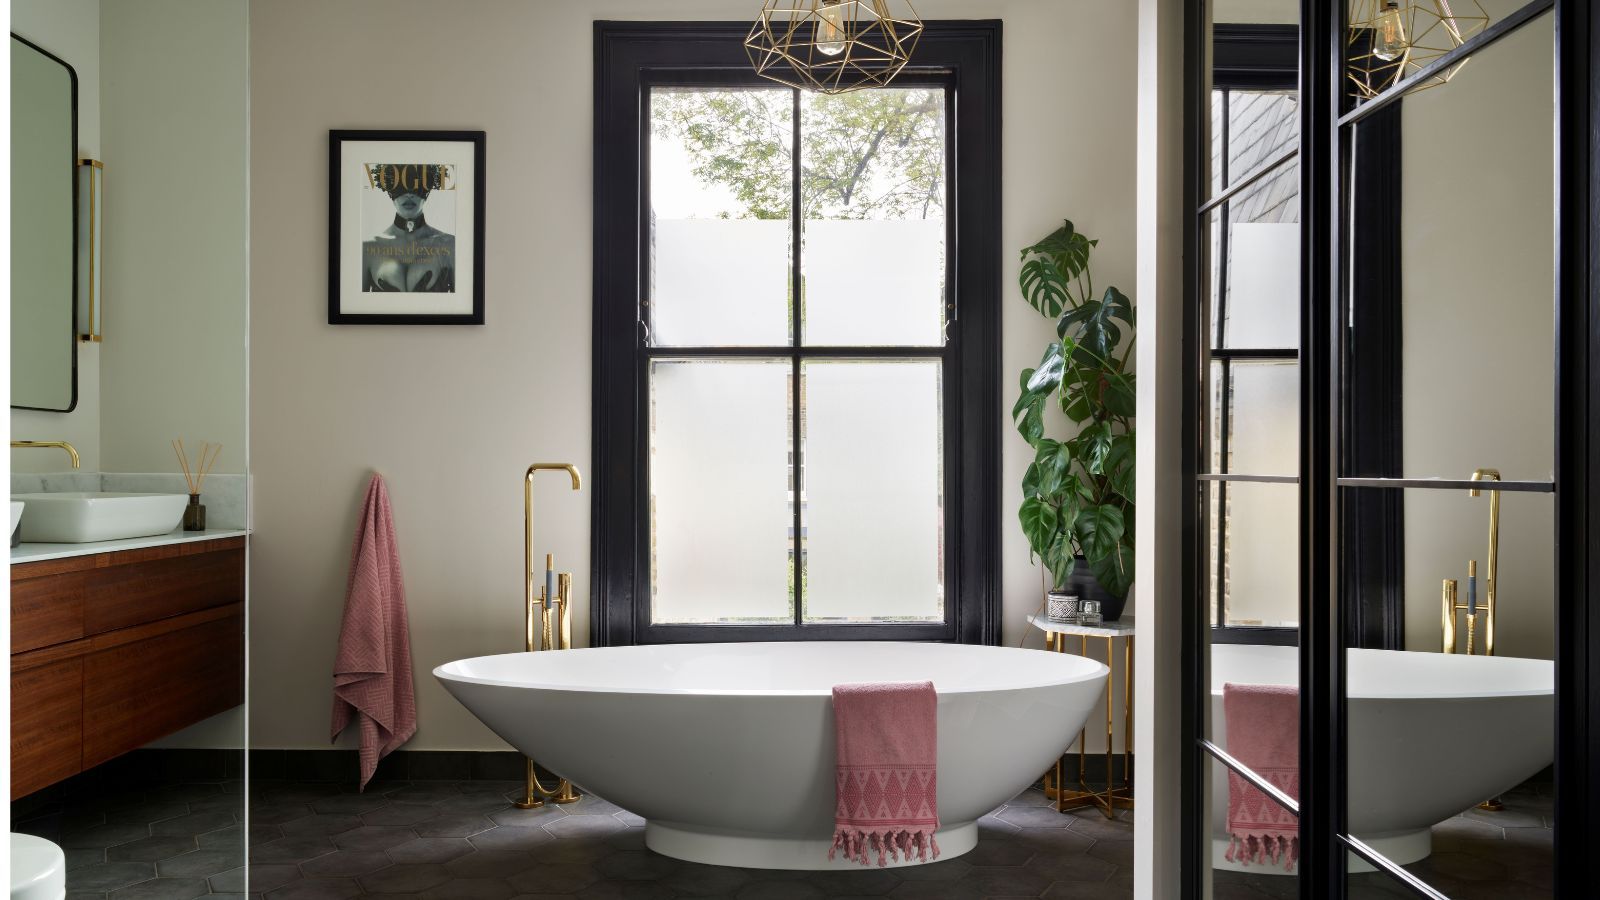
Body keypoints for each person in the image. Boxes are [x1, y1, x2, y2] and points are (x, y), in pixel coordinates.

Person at [362, 163, 455, 292]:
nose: (409, 194)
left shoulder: (450, 245)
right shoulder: (367, 249)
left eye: (418, 186)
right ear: (389, 190)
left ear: (428, 190)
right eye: (399, 186)